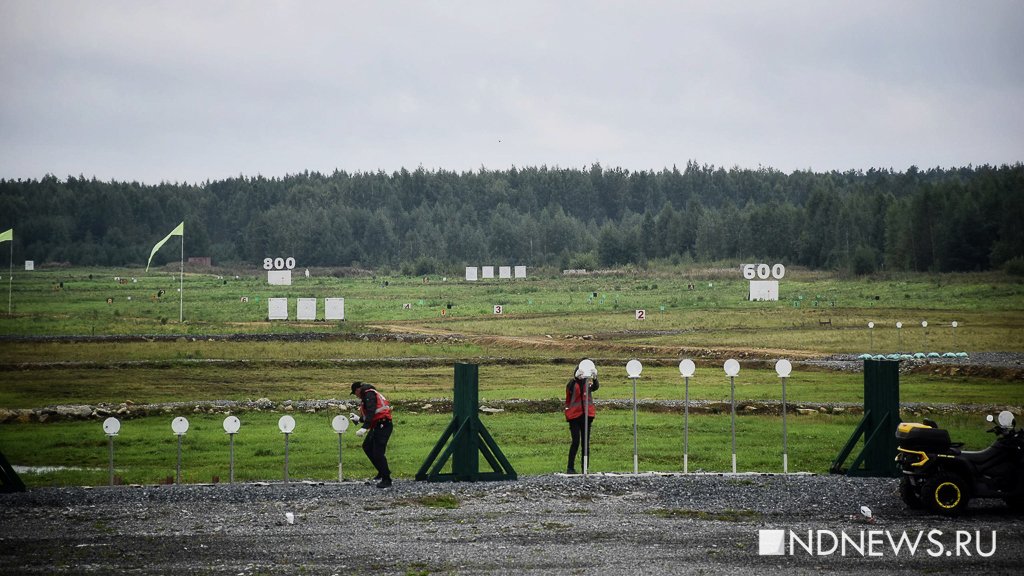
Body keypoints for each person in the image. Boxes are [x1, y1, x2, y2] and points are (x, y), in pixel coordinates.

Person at [349, 381, 393, 488]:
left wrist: (364, 427)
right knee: (367, 446)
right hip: (378, 425)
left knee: (378, 452)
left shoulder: (369, 394)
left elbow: (372, 411)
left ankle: (386, 479)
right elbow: (372, 414)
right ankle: (382, 471)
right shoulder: (369, 395)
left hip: (383, 425)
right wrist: (359, 419)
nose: (356, 396)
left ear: (358, 390)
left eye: (355, 393)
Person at [564, 360, 599, 474]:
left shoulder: (588, 384)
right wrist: (576, 379)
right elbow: (571, 390)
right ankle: (570, 467)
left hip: (587, 416)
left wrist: (595, 378)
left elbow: (595, 387)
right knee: (575, 442)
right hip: (574, 416)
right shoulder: (572, 384)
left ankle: (585, 468)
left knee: (585, 443)